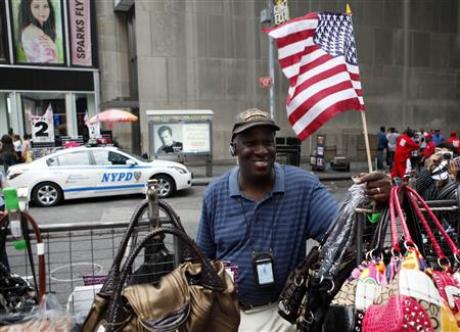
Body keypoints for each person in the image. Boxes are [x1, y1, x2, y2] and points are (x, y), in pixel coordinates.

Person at [196, 109, 390, 331]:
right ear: (234, 148)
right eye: (250, 143)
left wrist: (374, 202)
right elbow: (202, 259)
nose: (261, 150)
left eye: (267, 142)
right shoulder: (215, 193)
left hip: (283, 315)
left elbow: (345, 232)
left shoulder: (303, 187)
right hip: (229, 315)